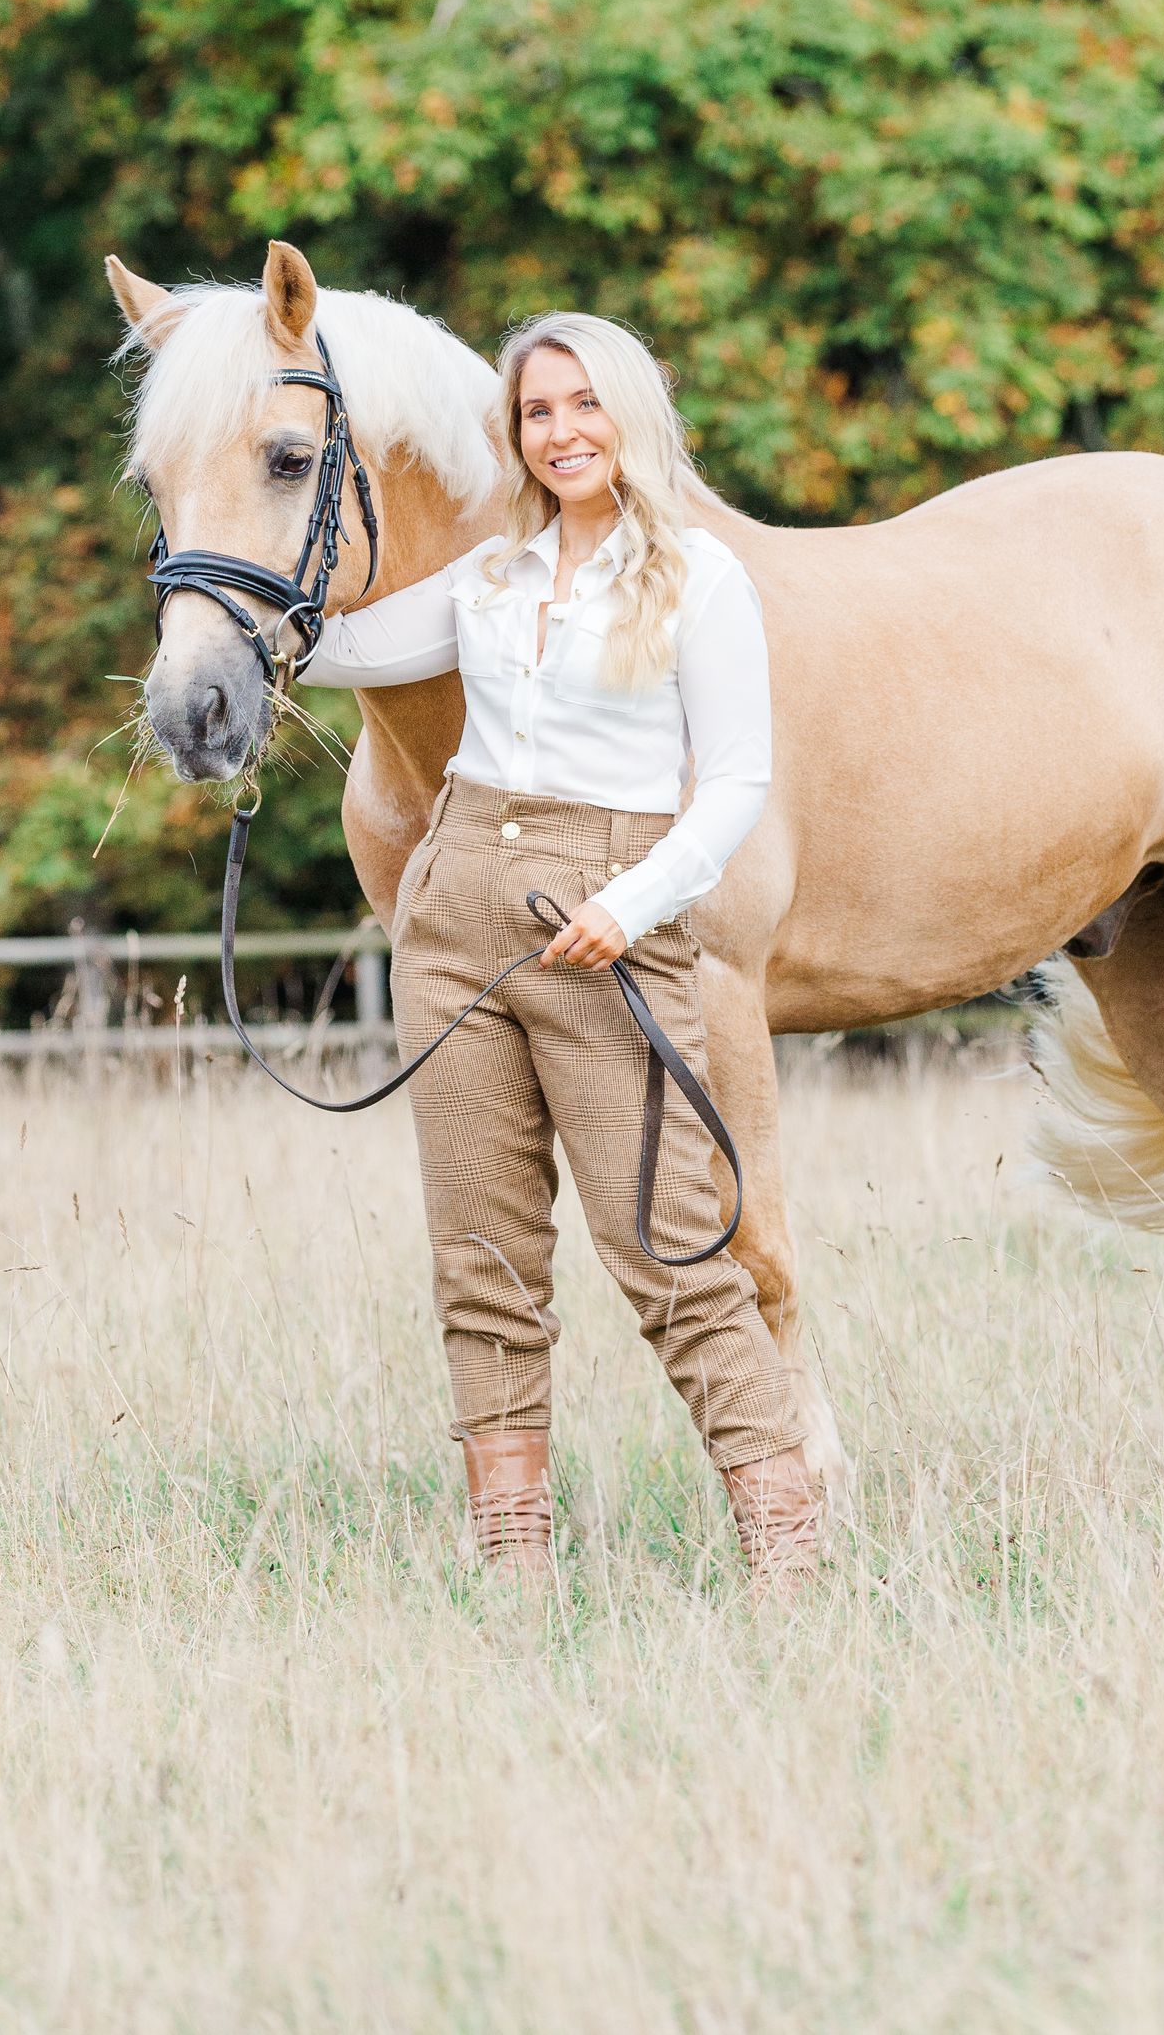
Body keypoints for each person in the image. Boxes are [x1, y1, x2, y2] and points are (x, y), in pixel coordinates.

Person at [296, 312, 820, 1587]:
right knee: (478, 1254)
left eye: (584, 403)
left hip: (604, 917)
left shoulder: (703, 580)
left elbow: (738, 780)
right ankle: (515, 1552)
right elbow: (334, 642)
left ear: (629, 414)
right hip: (457, 906)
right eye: (537, 411)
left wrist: (633, 905)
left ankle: (789, 1541)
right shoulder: (487, 579)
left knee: (668, 1243)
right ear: (515, 436)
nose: (562, 430)